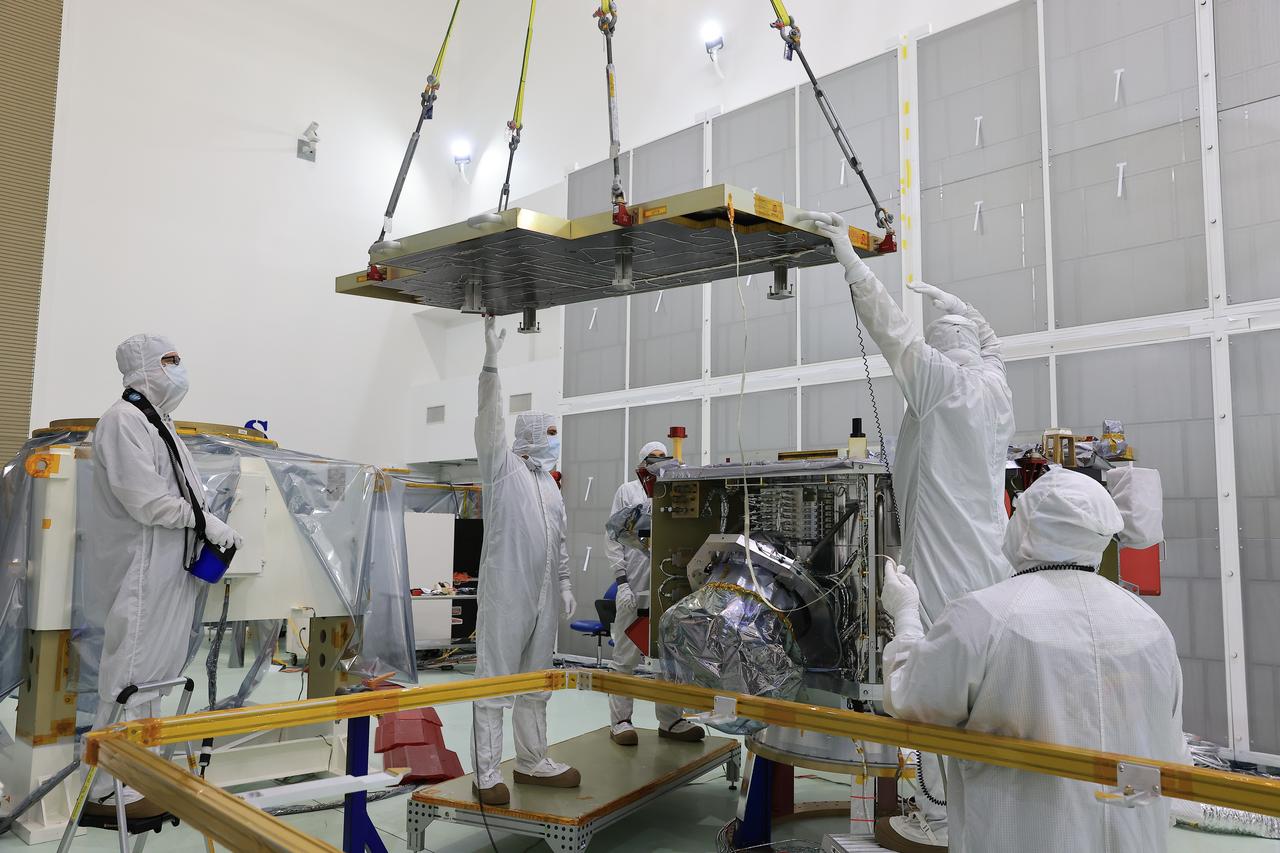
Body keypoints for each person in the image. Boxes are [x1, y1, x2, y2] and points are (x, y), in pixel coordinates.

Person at [802, 210, 1015, 847]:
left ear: (943, 352)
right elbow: (992, 348)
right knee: (980, 698)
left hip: (944, 564)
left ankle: (938, 819)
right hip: (992, 563)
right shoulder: (995, 388)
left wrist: (849, 260)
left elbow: (890, 329)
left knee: (937, 694)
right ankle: (968, 812)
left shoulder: (942, 384)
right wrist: (970, 313)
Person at [879, 467, 1187, 853]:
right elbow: (1171, 752)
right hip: (1136, 839)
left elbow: (910, 697)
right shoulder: (1151, 626)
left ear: (1023, 525)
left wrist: (905, 612)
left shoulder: (984, 615)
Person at [83, 334, 241, 818]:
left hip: (170, 567)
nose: (179, 370)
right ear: (142, 368)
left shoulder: (161, 424)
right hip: (141, 570)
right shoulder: (122, 421)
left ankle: (138, 773)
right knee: (129, 675)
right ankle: (106, 784)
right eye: (168, 361)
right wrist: (205, 522)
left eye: (179, 360)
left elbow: (185, 493)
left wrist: (206, 527)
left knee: (155, 677)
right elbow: (145, 500)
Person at [471, 315, 580, 805]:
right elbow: (489, 419)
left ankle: (534, 761)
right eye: (551, 434)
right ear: (533, 434)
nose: (556, 443)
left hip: (542, 598)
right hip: (506, 592)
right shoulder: (504, 468)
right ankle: (487, 772)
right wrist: (492, 363)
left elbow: (559, 543)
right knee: (495, 680)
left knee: (537, 681)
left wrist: (563, 586)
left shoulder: (549, 487)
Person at [606, 442, 705, 746]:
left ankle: (671, 720)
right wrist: (621, 582)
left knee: (669, 654)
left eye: (664, 458)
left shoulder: (674, 489)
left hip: (669, 585)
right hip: (634, 587)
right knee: (625, 655)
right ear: (642, 461)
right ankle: (620, 721)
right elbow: (613, 537)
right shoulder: (627, 491)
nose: (659, 463)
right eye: (654, 458)